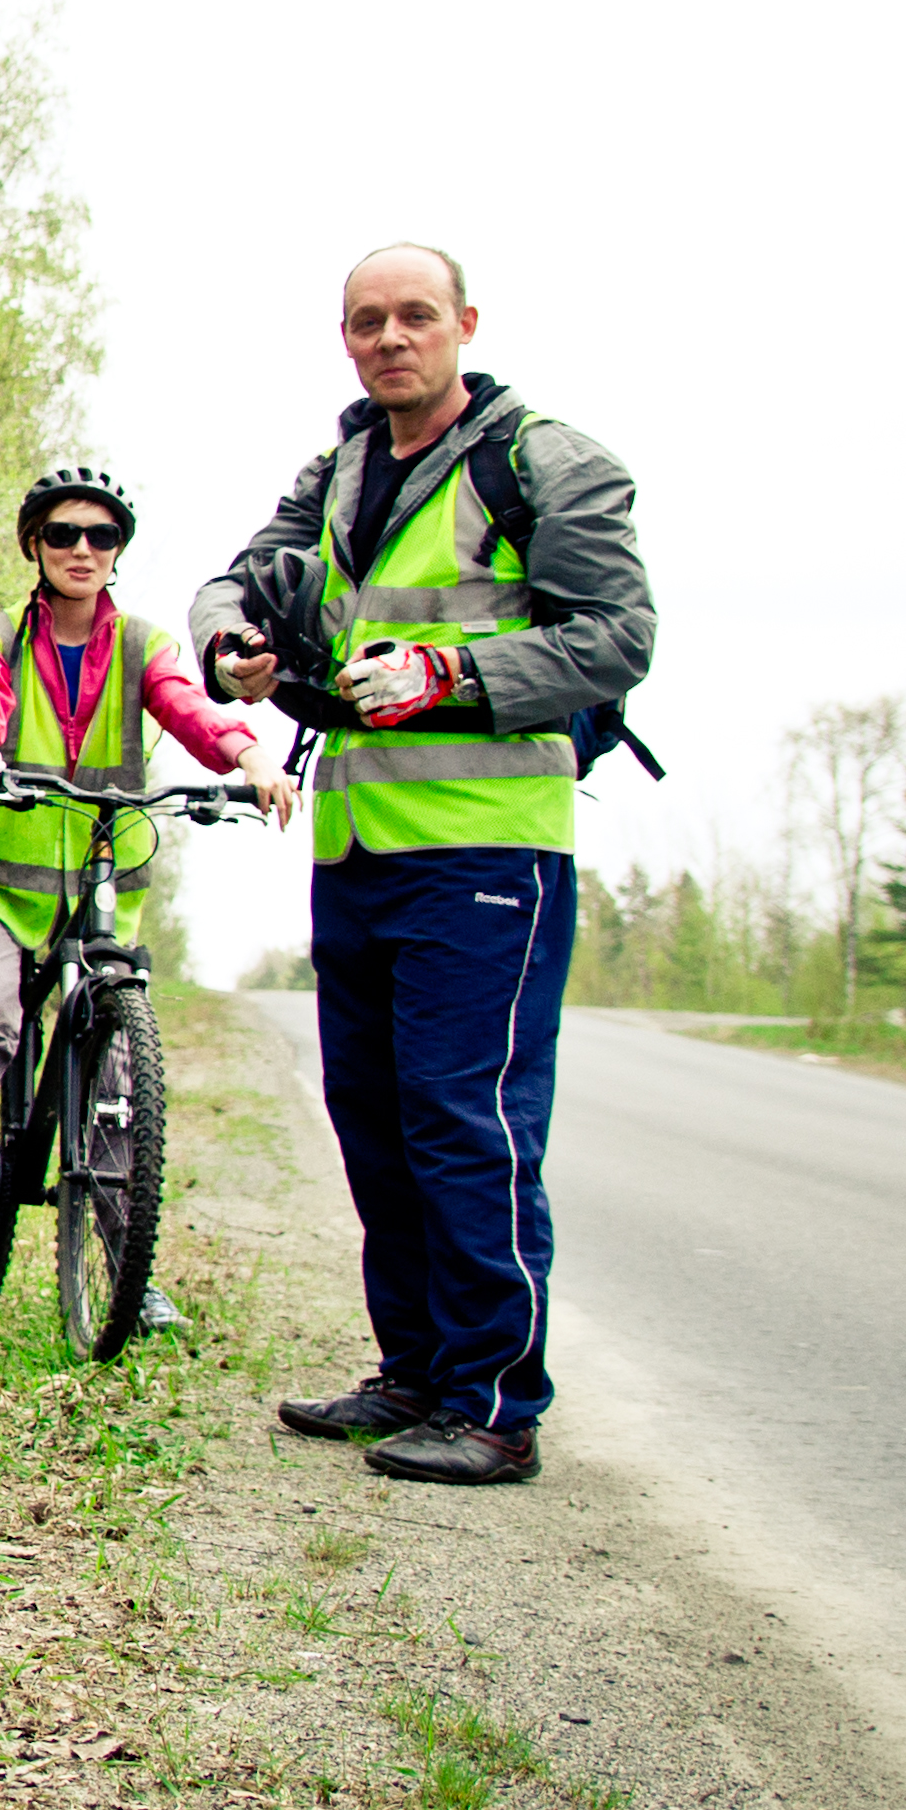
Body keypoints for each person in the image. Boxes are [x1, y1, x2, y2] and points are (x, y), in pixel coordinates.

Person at [200, 243, 655, 1488]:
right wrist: (232, 643)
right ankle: (410, 1375)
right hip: (355, 850)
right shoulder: (339, 467)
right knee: (378, 1126)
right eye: (363, 322)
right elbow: (232, 580)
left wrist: (451, 675)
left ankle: (494, 1405)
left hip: (487, 855)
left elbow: (616, 637)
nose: (386, 338)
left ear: (462, 322)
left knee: (467, 1126)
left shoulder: (543, 462)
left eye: (410, 317)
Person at [0, 464, 298, 1308]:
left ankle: (126, 1259)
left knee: (119, 1058)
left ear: (117, 550)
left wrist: (249, 757)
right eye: (62, 534)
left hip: (100, 879)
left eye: (101, 536)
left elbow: (191, 710)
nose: (81, 549)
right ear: (33, 546)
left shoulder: (144, 643)